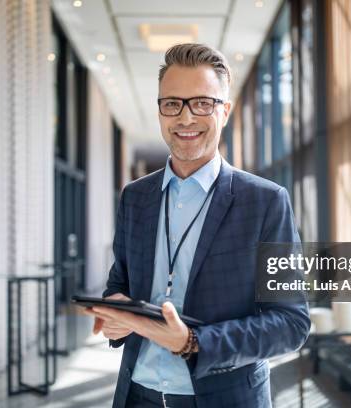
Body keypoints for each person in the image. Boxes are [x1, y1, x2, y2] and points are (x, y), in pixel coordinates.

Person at [85, 43, 310, 408]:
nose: (186, 118)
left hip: (224, 399)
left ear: (225, 111)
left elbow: (290, 323)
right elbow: (120, 283)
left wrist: (192, 341)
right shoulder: (135, 198)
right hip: (137, 395)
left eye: (202, 103)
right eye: (172, 103)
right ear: (160, 111)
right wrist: (117, 312)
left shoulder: (265, 201)